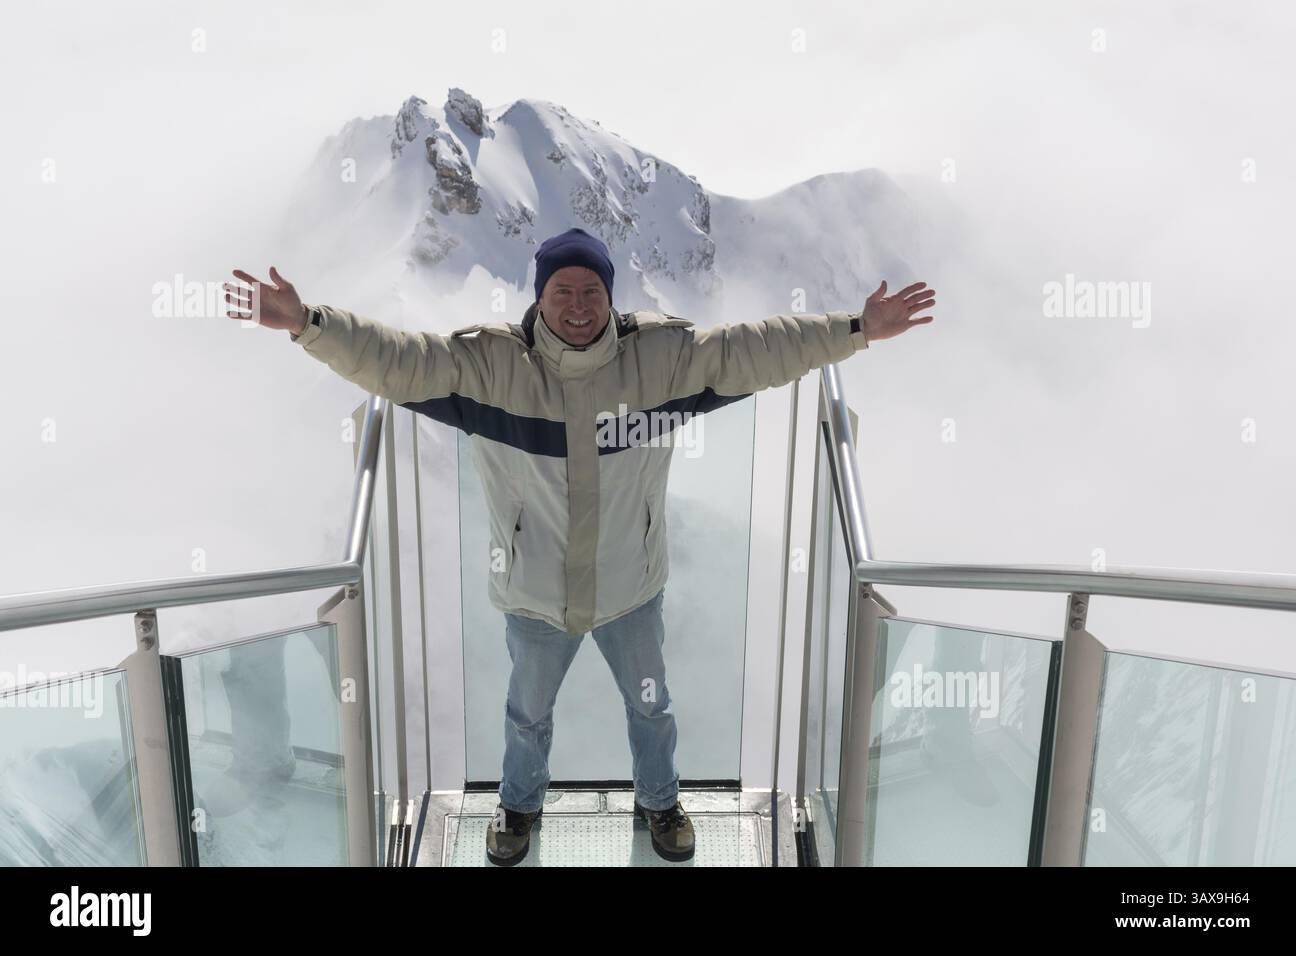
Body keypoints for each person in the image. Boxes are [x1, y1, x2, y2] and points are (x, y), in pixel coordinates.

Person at [225, 227, 936, 865]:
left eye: (590, 290)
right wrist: (309, 324)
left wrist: (855, 329)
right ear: (539, 297)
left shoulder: (661, 361)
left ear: (609, 298)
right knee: (526, 715)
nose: (576, 304)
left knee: (651, 706)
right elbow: (395, 361)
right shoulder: (490, 369)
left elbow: (756, 350)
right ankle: (518, 808)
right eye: (562, 290)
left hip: (631, 586)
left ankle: (660, 803)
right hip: (535, 593)